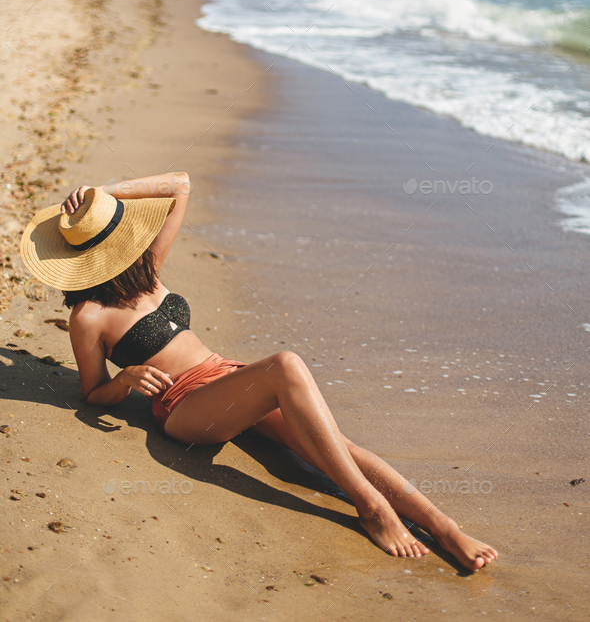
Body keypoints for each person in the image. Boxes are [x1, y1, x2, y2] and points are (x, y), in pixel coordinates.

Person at [20, 171, 498, 571]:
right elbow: (91, 392)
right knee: (286, 365)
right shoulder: (87, 317)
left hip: (225, 378)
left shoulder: (148, 269)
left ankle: (444, 526)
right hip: (184, 407)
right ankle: (371, 507)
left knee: (339, 448)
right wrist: (124, 380)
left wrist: (102, 195)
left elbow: (180, 186)